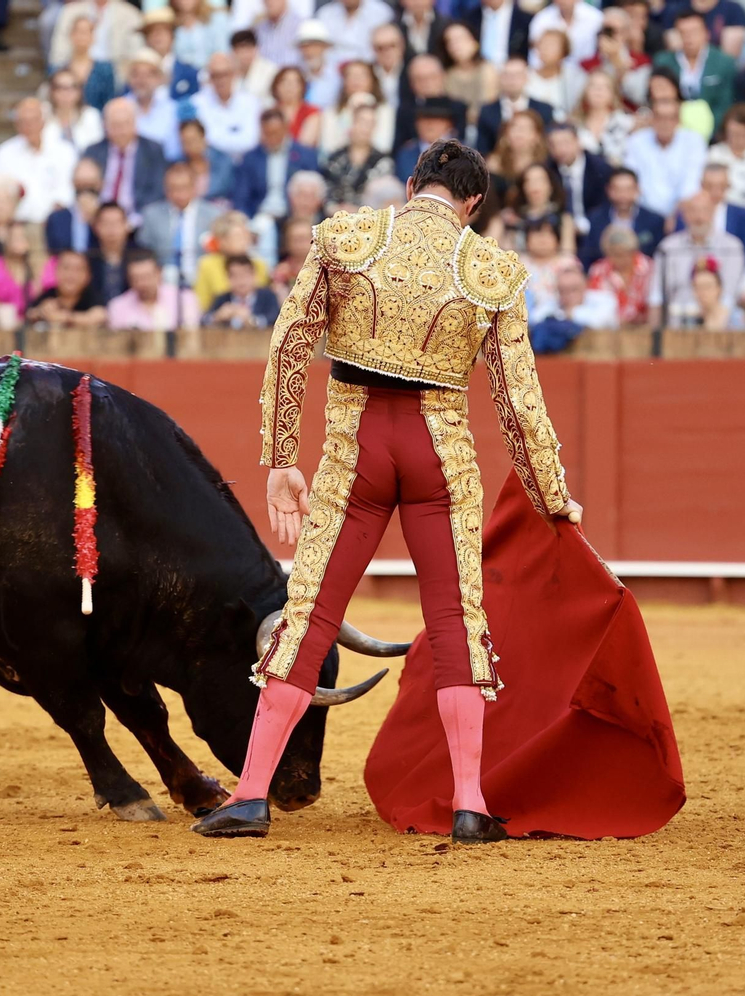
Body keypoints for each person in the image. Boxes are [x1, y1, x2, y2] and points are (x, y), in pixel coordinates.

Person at [191, 137, 582, 843]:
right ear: (472, 203)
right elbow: (519, 403)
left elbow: (288, 345)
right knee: (457, 622)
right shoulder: (488, 267)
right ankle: (469, 802)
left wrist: (281, 458)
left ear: (411, 186)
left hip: (357, 447)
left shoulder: (348, 236)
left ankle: (250, 796)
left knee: (307, 613)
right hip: (439, 454)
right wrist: (552, 497)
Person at [649, 191, 745, 325]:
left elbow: (730, 293)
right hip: (676, 322)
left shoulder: (732, 246)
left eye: (704, 210)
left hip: (719, 323)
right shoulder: (668, 247)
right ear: (684, 215)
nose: (699, 217)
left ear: (713, 212)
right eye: (692, 211)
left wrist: (715, 322)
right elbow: (657, 294)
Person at [0, 97, 76, 226]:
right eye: (23, 122)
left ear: (43, 121)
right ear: (16, 124)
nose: (28, 126)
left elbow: (67, 190)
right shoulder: (4, 153)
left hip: (55, 224)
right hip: (16, 225)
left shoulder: (64, 151)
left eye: (33, 120)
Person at [137, 162, 224, 287]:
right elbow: (144, 251)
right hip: (162, 284)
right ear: (165, 189)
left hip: (202, 282)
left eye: (184, 187)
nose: (179, 194)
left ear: (194, 187)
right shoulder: (151, 215)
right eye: (173, 188)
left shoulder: (213, 215)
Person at [85, 98, 167, 223]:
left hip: (138, 218)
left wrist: (134, 219)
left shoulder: (152, 151)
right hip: (100, 220)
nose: (121, 131)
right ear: (105, 126)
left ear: (135, 124)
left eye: (125, 124)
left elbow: (157, 191)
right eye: (115, 125)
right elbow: (85, 188)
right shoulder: (93, 152)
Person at [651, 11, 737, 131]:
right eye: (683, 33)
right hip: (672, 131)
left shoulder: (724, 63)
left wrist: (706, 130)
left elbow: (725, 105)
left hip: (713, 132)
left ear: (706, 33)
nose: (688, 37)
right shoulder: (663, 62)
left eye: (694, 32)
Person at [234, 108, 319, 224]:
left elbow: (313, 191)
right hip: (261, 216)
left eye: (275, 132)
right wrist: (245, 220)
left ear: (285, 129)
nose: (272, 138)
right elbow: (242, 195)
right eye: (267, 133)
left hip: (292, 216)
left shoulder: (305, 156)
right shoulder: (251, 158)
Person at [579, 168, 665, 269]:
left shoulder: (654, 221)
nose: (623, 195)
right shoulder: (595, 219)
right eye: (618, 189)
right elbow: (588, 257)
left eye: (628, 189)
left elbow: (659, 258)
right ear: (609, 190)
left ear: (638, 190)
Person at [106, 247, 200, 331]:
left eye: (147, 277)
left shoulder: (183, 299)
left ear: (159, 273)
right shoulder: (117, 307)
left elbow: (191, 336)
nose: (142, 284)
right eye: (136, 278)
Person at [474, 60, 553, 158]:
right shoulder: (487, 111)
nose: (512, 80)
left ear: (527, 78)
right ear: (500, 78)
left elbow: (548, 146)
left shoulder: (544, 110)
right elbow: (482, 150)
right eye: (507, 75)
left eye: (517, 75)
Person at [322, 104, 393, 209]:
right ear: (351, 123)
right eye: (362, 121)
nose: (366, 128)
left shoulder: (383, 162)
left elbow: (383, 199)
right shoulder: (335, 158)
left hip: (370, 220)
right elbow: (326, 193)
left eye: (371, 123)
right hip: (335, 218)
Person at [195, 210, 268, 310]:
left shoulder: (259, 264)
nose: (246, 241)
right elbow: (202, 304)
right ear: (222, 240)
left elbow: (263, 300)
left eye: (247, 235)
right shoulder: (207, 264)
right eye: (239, 236)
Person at [706, 103, 745, 212]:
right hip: (722, 211)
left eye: (742, 134)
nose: (737, 139)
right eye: (733, 134)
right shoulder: (714, 153)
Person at [25, 249, 105, 329]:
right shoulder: (48, 295)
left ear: (88, 275)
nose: (71, 275)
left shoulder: (92, 296)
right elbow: (30, 314)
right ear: (56, 271)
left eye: (78, 269)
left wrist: (66, 317)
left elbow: (100, 315)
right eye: (66, 268)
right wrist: (42, 311)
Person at [52, 14, 115, 111]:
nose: (81, 36)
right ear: (71, 35)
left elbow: (109, 101)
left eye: (85, 32)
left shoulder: (105, 69)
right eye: (77, 31)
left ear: (93, 37)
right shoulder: (58, 70)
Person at [203, 253, 279, 328]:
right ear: (228, 278)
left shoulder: (268, 296)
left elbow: (275, 320)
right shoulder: (222, 299)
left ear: (254, 276)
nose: (241, 280)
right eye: (235, 276)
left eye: (245, 275)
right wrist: (217, 317)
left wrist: (251, 320)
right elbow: (203, 321)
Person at [43, 70, 103, 153]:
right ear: (52, 91)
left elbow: (96, 149)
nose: (65, 93)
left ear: (79, 91)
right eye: (60, 88)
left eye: (71, 87)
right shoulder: (42, 114)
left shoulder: (91, 115)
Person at [87, 201, 132, 303]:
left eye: (116, 223)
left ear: (126, 225)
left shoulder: (139, 256)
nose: (111, 230)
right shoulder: (87, 260)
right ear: (96, 227)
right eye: (106, 223)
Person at [685, 258, 745, 331]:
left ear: (719, 288)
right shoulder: (692, 320)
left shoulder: (735, 317)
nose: (702, 292)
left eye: (707, 286)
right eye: (697, 287)